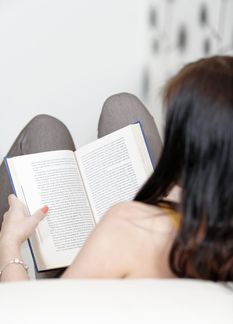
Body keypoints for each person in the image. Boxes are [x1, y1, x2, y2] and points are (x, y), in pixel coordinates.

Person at [0, 55, 232, 282]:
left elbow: (39, 319)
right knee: (122, 105)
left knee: (44, 128)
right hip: (191, 221)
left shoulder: (126, 226)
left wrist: (9, 244)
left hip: (86, 276)